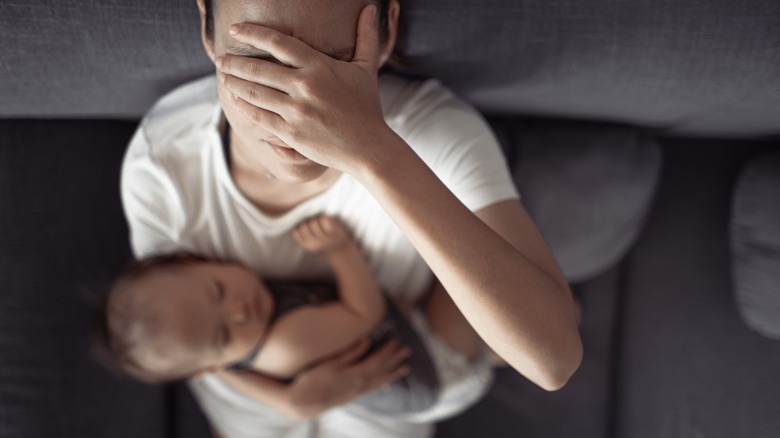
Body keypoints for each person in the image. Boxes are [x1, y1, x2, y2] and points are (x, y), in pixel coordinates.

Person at [121, 0, 583, 435]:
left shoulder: (433, 134)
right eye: (255, 63)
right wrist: (285, 403)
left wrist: (373, 153)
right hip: (254, 403)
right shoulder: (163, 169)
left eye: (332, 65)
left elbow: (552, 362)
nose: (295, 109)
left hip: (398, 375)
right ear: (208, 27)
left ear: (385, 36)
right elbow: (189, 344)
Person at [100, 215, 443, 417]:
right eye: (223, 336)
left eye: (218, 291)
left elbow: (217, 369)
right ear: (212, 363)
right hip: (428, 367)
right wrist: (339, 252)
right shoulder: (284, 345)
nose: (238, 312)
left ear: (196, 261)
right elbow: (365, 312)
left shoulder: (214, 360)